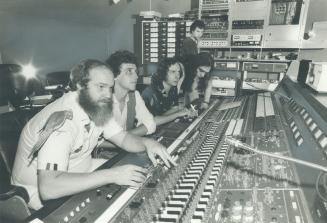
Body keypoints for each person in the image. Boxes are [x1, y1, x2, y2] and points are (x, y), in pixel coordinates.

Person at [11, 59, 175, 210]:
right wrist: (113, 175)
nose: (107, 94)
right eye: (100, 87)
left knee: (140, 179)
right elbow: (48, 188)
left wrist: (148, 143)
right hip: (36, 190)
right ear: (80, 87)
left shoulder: (97, 106)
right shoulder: (61, 123)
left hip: (80, 170)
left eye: (110, 88)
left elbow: (123, 138)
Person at [106, 50, 156, 137]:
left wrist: (122, 139)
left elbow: (150, 124)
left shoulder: (135, 95)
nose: (136, 76)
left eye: (136, 72)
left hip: (127, 147)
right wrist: (124, 140)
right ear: (114, 75)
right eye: (129, 71)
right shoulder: (104, 99)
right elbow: (99, 142)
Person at [142, 57, 196, 125]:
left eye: (179, 72)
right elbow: (151, 122)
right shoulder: (150, 93)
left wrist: (184, 111)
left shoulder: (173, 89)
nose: (177, 76)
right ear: (163, 72)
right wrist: (177, 114)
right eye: (173, 72)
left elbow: (172, 109)